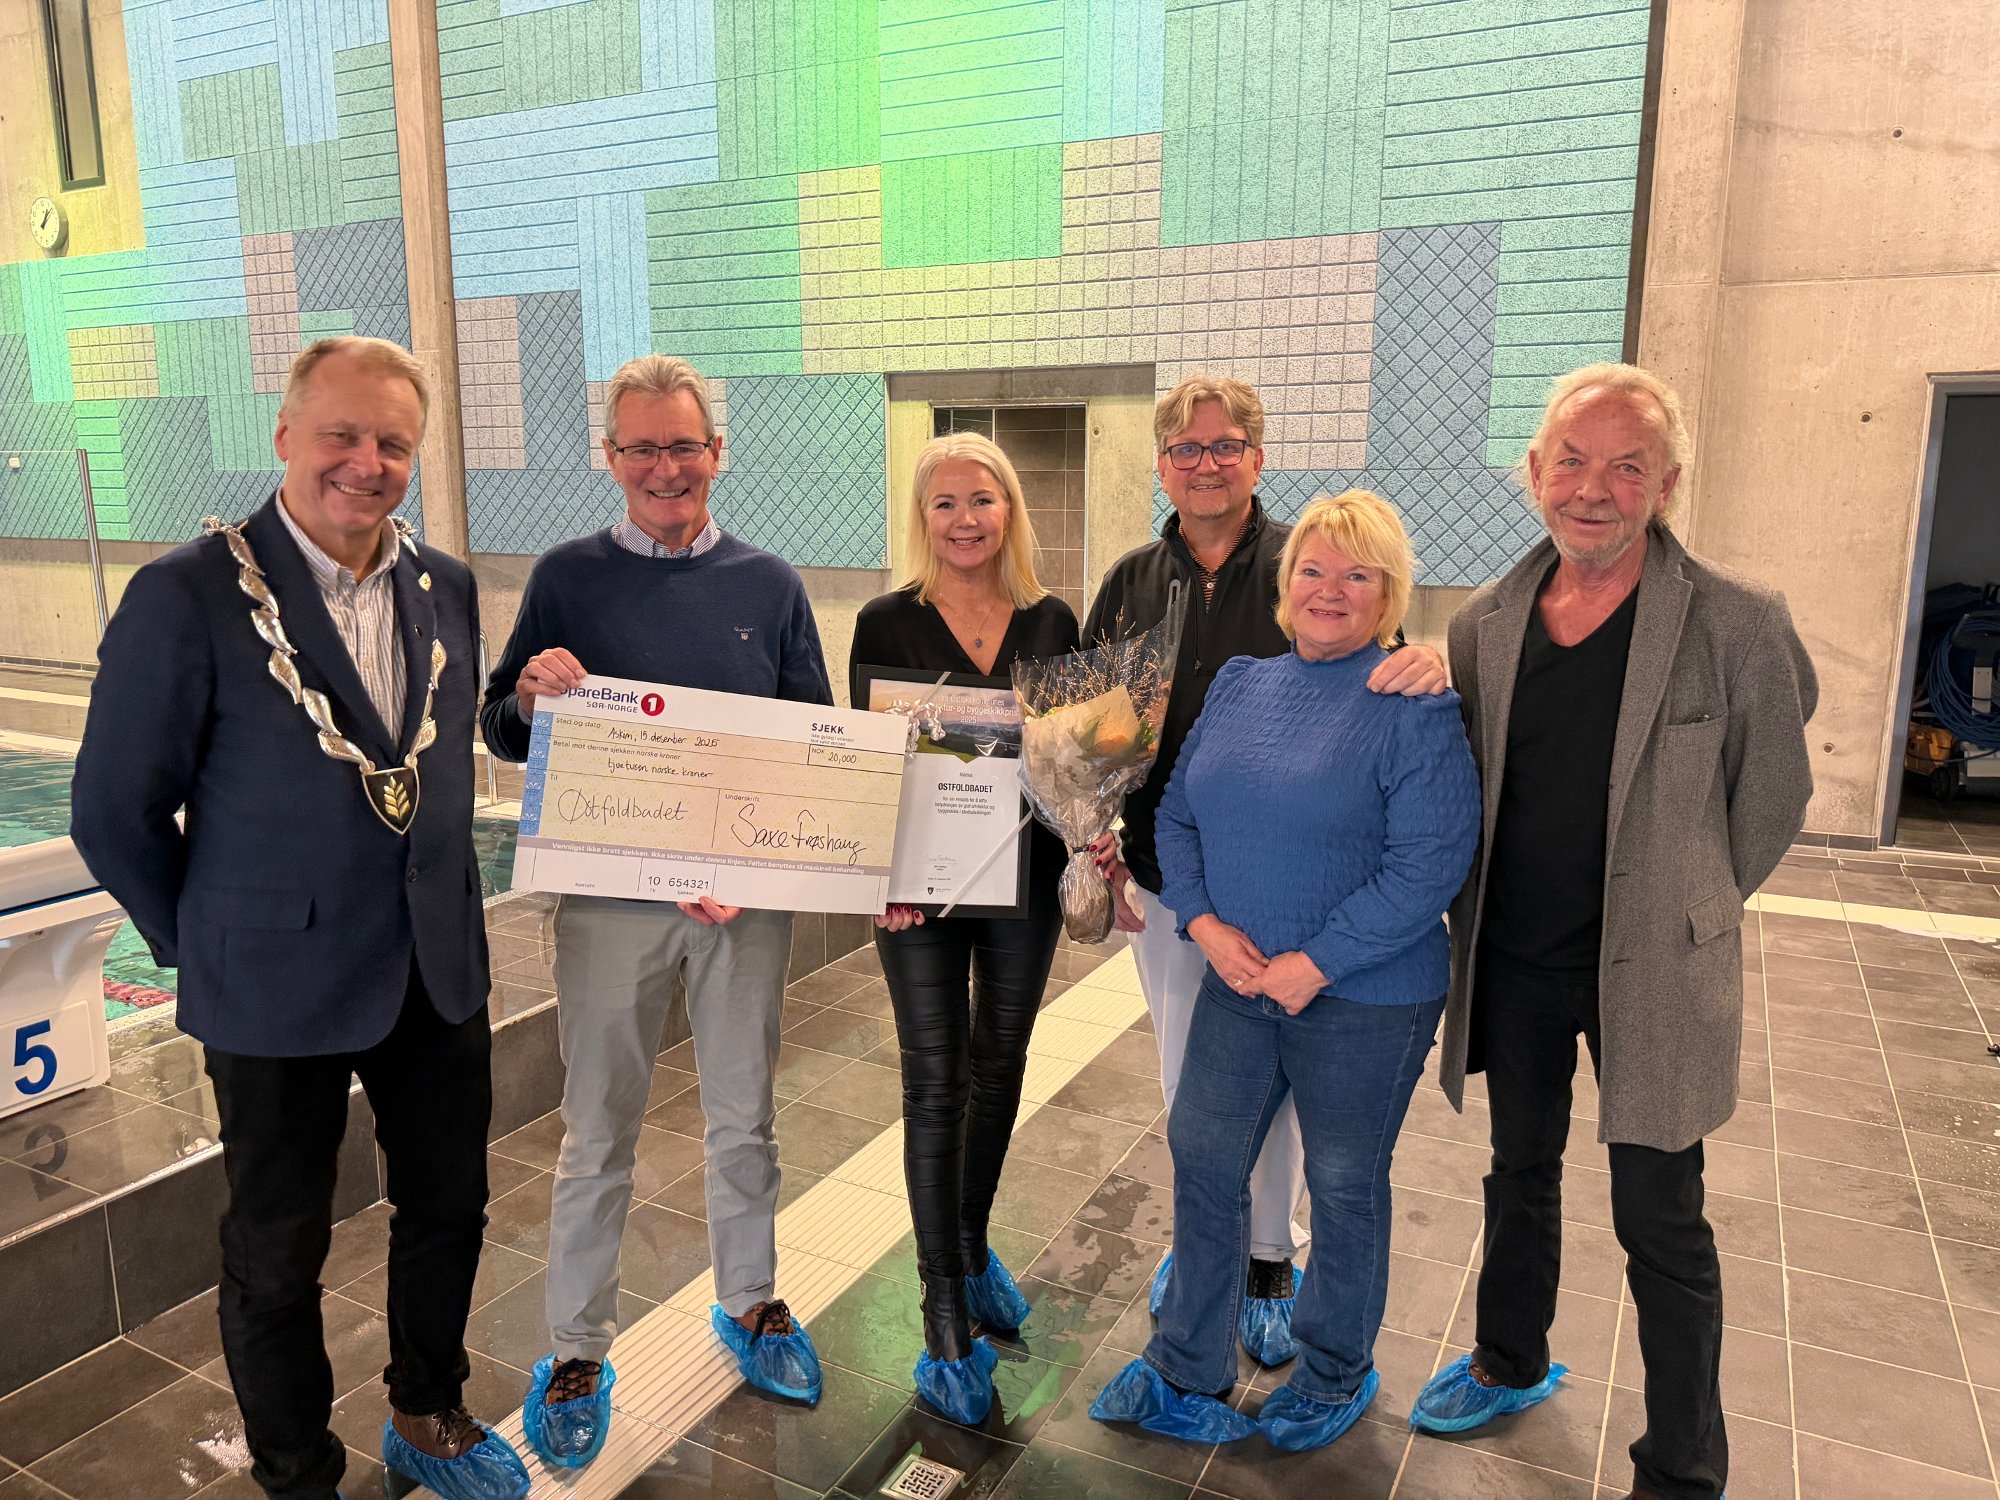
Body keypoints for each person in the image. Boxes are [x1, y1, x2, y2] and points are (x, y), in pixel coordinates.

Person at [70, 337, 531, 1500]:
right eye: (342, 435)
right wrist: (209, 943)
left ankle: (426, 1407)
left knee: (449, 1207)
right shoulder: (188, 595)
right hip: (269, 983)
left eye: (393, 444)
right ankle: (298, 1474)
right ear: (285, 436)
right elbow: (114, 811)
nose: (366, 463)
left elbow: (426, 762)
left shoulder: (446, 586)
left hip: (432, 965)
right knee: (277, 1249)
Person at [1409, 364, 1817, 1500]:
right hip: (1517, 959)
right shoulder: (1482, 626)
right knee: (1518, 1168)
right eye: (1572, 462)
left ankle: (1682, 1467)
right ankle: (1508, 1358)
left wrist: (1695, 904)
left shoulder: (1737, 622)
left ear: (1666, 484)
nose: (1593, 489)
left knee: (1660, 1221)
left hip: (1655, 974)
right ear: (1534, 473)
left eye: (1626, 468)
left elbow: (1773, 789)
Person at [480, 355, 834, 1468]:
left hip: (738, 905)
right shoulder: (564, 578)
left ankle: (751, 1299)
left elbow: (813, 742)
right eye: (642, 448)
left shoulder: (770, 585)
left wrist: (771, 863)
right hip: (607, 904)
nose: (665, 468)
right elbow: (501, 726)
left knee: (745, 1115)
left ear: (715, 452)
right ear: (612, 458)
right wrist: (528, 695)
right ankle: (576, 1347)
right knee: (597, 1130)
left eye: (684, 445)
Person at [1090, 490, 1479, 1451]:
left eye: (1357, 574)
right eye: (1312, 569)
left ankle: (1336, 1370)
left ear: (1390, 592)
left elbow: (1430, 862)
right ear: (1285, 582)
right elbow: (1176, 815)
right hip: (1239, 981)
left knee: (1344, 1186)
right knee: (1204, 1159)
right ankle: (1187, 1365)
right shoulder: (1240, 685)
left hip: (1367, 997)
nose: (1329, 589)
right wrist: (1206, 925)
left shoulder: (1413, 704)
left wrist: (1319, 961)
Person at [848, 433, 1080, 1425]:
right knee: (934, 1083)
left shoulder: (1051, 619)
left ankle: (971, 1246)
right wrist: (878, 871)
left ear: (1008, 508)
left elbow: (1075, 760)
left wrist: (1095, 823)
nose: (964, 520)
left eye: (981, 499)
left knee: (1001, 1065)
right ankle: (941, 1304)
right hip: (921, 893)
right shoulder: (884, 620)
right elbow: (870, 762)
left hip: (1025, 880)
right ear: (921, 517)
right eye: (943, 504)